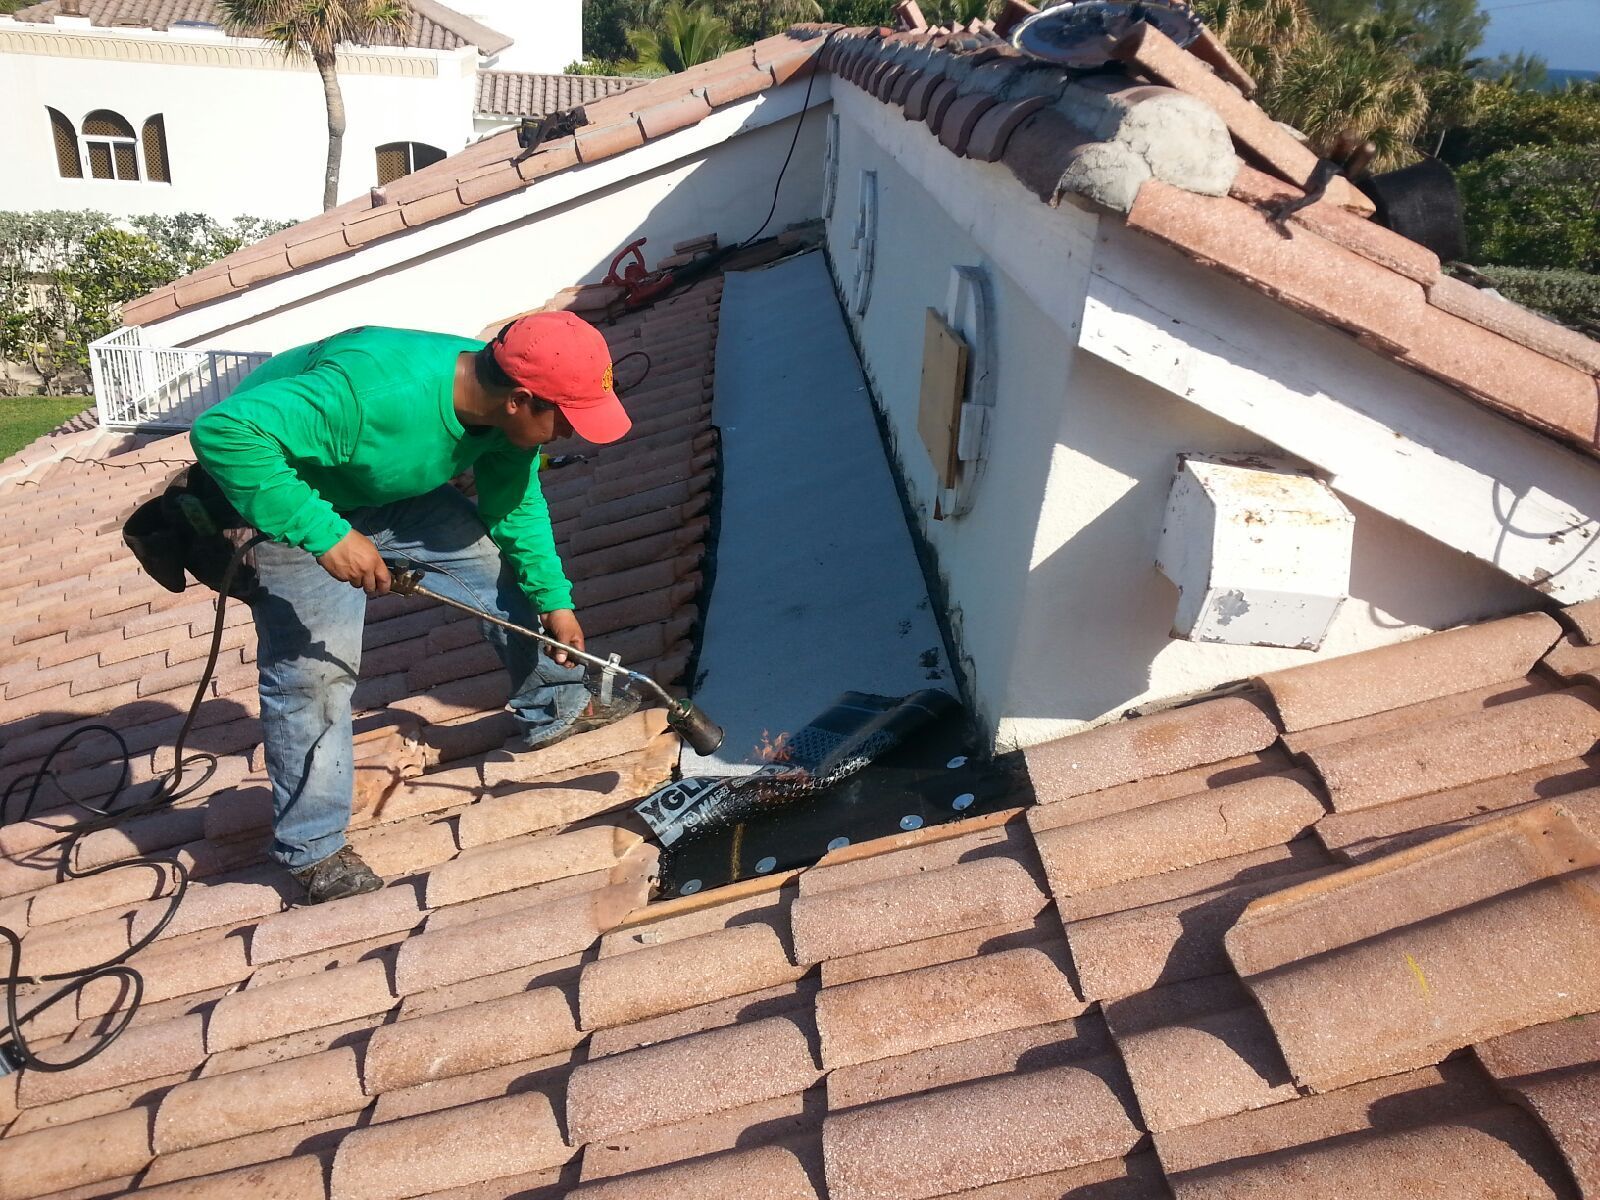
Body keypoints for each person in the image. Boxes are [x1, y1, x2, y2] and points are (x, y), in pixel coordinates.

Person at [191, 315, 639, 904]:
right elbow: (224, 430)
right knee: (315, 676)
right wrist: (325, 533)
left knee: (492, 573)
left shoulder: (504, 408)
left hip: (392, 496)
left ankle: (554, 700)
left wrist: (556, 602)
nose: (569, 436)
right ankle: (313, 849)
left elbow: (515, 505)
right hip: (294, 501)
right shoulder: (370, 394)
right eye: (566, 419)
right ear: (520, 401)